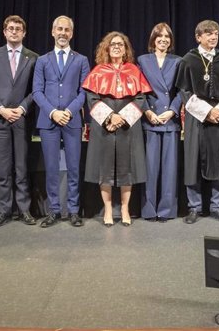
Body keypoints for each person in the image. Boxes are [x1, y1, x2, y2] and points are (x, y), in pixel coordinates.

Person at [82, 32, 151, 227]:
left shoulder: (133, 70)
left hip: (128, 125)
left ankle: (125, 208)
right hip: (104, 124)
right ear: (107, 48)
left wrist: (122, 118)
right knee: (104, 168)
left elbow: (140, 98)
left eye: (120, 44)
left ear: (125, 49)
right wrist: (110, 117)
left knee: (126, 168)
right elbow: (92, 99)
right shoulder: (98, 71)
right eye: (113, 44)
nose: (117, 47)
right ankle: (108, 209)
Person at [175, 20, 219, 224]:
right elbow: (184, 91)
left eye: (216, 33)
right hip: (197, 118)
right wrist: (207, 111)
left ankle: (217, 207)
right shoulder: (189, 60)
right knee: (193, 161)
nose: (213, 37)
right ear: (198, 37)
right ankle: (194, 207)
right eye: (208, 33)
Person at [0, 15, 39, 228]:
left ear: (24, 33)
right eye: (10, 28)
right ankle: (3, 211)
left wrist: (22, 108)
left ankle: (24, 210)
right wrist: (2, 109)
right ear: (4, 32)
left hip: (22, 120)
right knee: (2, 171)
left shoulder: (33, 57)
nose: (14, 32)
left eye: (18, 29)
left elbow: (36, 90)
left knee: (22, 169)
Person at [32, 16, 90, 228]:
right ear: (53, 31)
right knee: (51, 168)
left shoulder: (81, 60)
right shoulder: (42, 60)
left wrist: (68, 111)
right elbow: (37, 91)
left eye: (67, 30)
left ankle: (74, 210)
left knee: (74, 167)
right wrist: (53, 113)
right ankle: (54, 210)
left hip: (72, 120)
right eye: (59, 29)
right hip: (49, 121)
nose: (63, 33)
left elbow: (84, 92)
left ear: (71, 34)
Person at [137, 23, 182, 222]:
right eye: (159, 36)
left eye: (167, 36)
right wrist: (147, 111)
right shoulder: (143, 60)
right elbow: (139, 91)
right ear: (153, 39)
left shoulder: (178, 61)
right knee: (150, 168)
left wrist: (172, 111)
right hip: (150, 120)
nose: (163, 39)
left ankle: (167, 210)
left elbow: (182, 90)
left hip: (169, 121)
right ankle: (148, 210)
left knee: (169, 170)